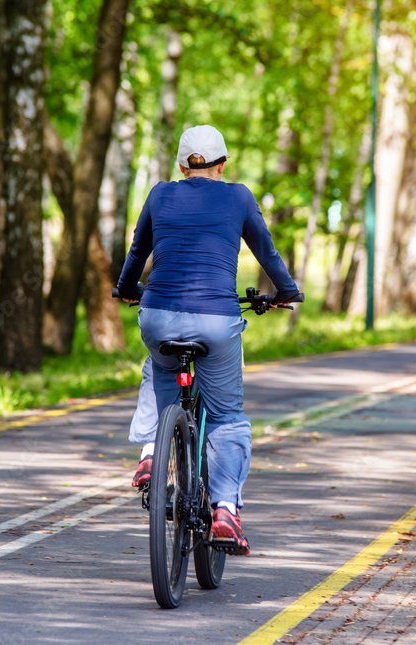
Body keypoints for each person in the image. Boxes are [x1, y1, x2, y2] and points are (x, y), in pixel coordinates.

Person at [116, 124, 299, 556]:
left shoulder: (160, 194)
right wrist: (286, 292)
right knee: (228, 415)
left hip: (158, 317)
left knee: (157, 366)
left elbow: (137, 252)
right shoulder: (238, 196)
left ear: (181, 165)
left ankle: (149, 453)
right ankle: (225, 511)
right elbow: (267, 253)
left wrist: (126, 288)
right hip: (216, 322)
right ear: (222, 165)